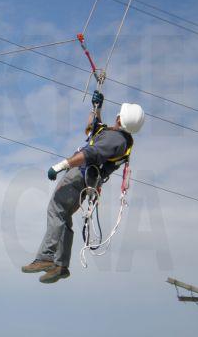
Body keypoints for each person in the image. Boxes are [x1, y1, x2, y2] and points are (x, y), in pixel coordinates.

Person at [21, 90, 145, 284]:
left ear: (120, 118)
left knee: (56, 209)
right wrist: (97, 107)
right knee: (63, 216)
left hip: (80, 175)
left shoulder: (115, 140)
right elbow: (91, 127)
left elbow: (90, 154)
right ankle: (60, 265)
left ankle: (46, 257)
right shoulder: (115, 136)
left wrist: (61, 166)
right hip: (86, 179)